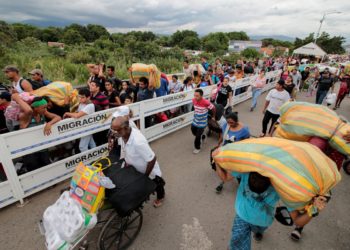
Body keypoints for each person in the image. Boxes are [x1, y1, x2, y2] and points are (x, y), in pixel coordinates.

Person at [215, 168, 279, 250]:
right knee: (259, 229)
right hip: (263, 220)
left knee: (238, 242)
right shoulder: (277, 186)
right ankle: (258, 233)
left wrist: (216, 161)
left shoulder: (245, 170)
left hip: (242, 216)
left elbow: (225, 177)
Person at [110, 116, 166, 207]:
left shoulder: (138, 142)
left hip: (148, 169)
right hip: (135, 167)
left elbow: (152, 159)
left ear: (126, 128)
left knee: (157, 183)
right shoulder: (123, 134)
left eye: (117, 130)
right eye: (113, 130)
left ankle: (161, 196)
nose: (115, 133)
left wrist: (145, 177)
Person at [19, 96, 61, 172]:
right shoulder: (26, 116)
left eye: (46, 107)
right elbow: (28, 110)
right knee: (34, 169)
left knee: (46, 167)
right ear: (35, 108)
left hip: (41, 146)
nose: (46, 109)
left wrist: (49, 123)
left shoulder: (43, 113)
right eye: (43, 108)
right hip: (28, 149)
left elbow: (58, 117)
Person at [215, 112, 250, 193]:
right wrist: (219, 144)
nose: (229, 124)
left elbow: (247, 141)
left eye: (232, 122)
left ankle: (242, 185)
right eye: (228, 122)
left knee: (236, 170)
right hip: (225, 151)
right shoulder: (225, 126)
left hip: (236, 154)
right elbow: (222, 135)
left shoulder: (244, 130)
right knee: (224, 167)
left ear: (236, 121)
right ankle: (222, 182)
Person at [63, 88, 96, 152]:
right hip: (84, 127)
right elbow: (77, 113)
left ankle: (88, 161)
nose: (80, 99)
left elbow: (77, 115)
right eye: (79, 97)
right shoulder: (81, 104)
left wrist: (67, 113)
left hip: (88, 127)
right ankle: (96, 157)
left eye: (82, 97)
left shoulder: (90, 106)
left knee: (82, 147)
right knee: (91, 143)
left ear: (88, 97)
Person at [191, 89, 216, 154]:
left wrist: (213, 116)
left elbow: (213, 108)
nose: (195, 97)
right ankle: (203, 136)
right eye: (194, 95)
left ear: (201, 96)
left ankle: (197, 148)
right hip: (195, 120)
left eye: (197, 96)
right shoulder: (193, 100)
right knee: (193, 132)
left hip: (202, 122)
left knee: (197, 136)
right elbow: (195, 108)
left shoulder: (206, 102)